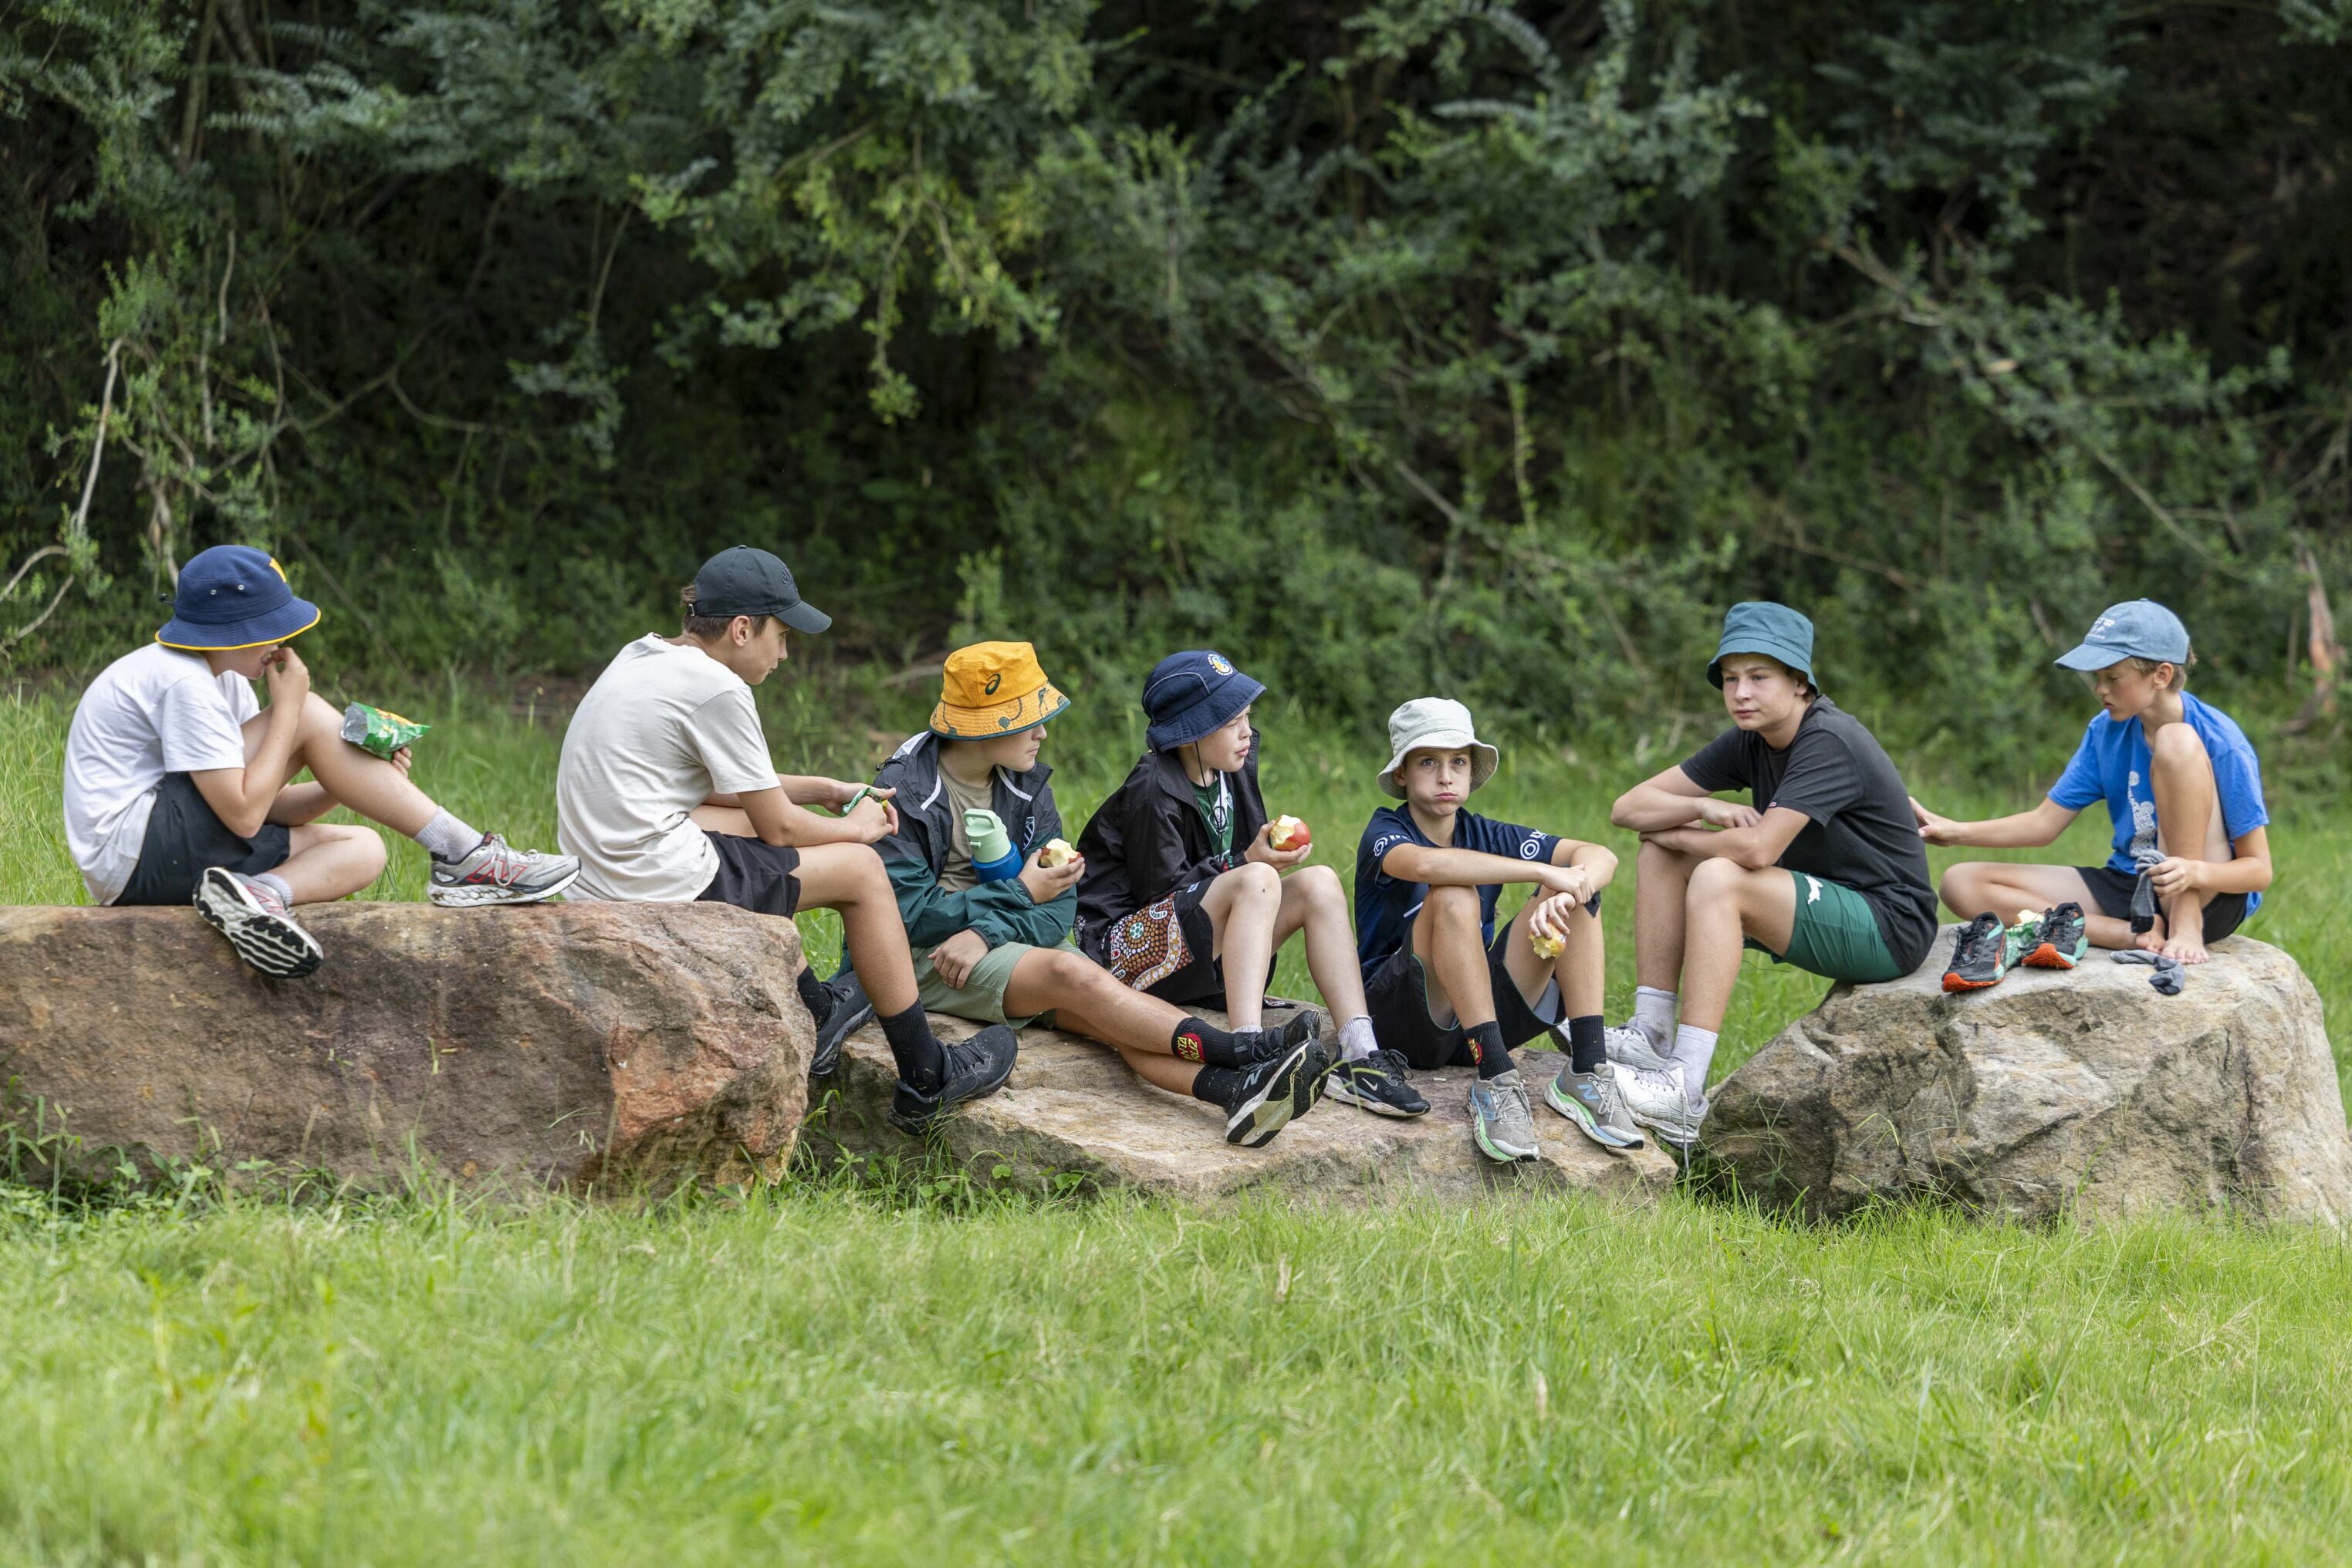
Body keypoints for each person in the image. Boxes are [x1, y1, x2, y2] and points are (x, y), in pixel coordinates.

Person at [556, 546, 1015, 1134]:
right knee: (860, 872)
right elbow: (778, 826)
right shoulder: (717, 688)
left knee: (744, 835)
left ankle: (817, 1009)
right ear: (743, 629)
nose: (786, 651)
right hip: (647, 881)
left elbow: (726, 792)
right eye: (782, 634)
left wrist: (823, 787)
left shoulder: (643, 657)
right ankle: (929, 1076)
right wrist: (857, 829)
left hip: (597, 870)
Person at [871, 643, 1329, 1148]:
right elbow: (904, 916)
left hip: (993, 940)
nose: (1044, 733)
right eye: (1030, 721)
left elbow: (1063, 902)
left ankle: (1236, 1091)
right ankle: (1245, 1052)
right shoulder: (906, 790)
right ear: (987, 725)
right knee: (1071, 975)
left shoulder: (1027, 784)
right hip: (922, 956)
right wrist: (1020, 894)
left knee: (1114, 1017)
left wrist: (987, 929)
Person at [61, 545, 576, 978]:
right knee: (306, 710)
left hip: (163, 855)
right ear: (233, 629)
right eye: (272, 630)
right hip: (135, 853)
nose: (281, 645)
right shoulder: (181, 681)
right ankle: (466, 856)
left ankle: (255, 896)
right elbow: (242, 815)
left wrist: (344, 783)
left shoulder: (227, 682)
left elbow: (270, 808)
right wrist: (288, 711)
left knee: (364, 848)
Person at [1607, 603, 1935, 1150]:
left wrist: (1683, 832)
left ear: (1799, 682)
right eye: (1731, 679)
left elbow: (1758, 849)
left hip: (1888, 924)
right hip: (1820, 896)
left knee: (1716, 876)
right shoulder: (1750, 740)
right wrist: (1707, 810)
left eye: (1759, 677)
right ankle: (1652, 1032)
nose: (1741, 693)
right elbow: (1628, 807)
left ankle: (1684, 1087)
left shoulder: (1827, 739)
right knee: (1659, 857)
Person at [1076, 651, 1426, 1119]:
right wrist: (1246, 861)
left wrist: (1261, 859)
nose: (1246, 732)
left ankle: (1359, 1055)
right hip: (1125, 958)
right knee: (1257, 875)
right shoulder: (1152, 788)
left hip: (1196, 950)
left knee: (1320, 882)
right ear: (1192, 730)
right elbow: (1160, 898)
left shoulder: (1229, 771)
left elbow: (1239, 885)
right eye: (1231, 722)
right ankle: (1247, 1050)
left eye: (1247, 717)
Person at [1916, 600, 2271, 980]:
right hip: (2133, 886)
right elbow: (2043, 824)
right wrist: (1955, 831)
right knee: (1961, 883)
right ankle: (2124, 933)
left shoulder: (2219, 739)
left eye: (2113, 677)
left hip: (2205, 893)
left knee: (2176, 741)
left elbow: (2258, 871)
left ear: (2162, 675)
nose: (2100, 688)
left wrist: (2192, 873)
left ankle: (2183, 923)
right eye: (2098, 677)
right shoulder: (2105, 731)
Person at [1353, 698, 1632, 1165]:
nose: (1446, 776)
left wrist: (1562, 893)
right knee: (1455, 893)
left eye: (1458, 762)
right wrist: (1541, 871)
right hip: (1401, 1019)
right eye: (1429, 762)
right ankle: (1496, 1078)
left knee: (1580, 896)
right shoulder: (1385, 829)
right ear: (1401, 773)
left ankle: (1587, 1069)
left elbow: (1601, 854)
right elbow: (1426, 864)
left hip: (1475, 1021)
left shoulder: (1484, 832)